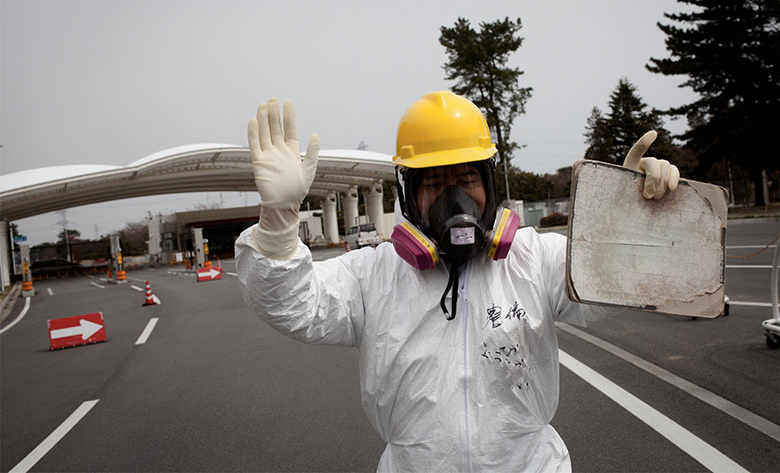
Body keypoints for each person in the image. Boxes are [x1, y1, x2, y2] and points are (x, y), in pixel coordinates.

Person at [235, 91, 679, 472]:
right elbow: (294, 305)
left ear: (488, 181)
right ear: (409, 195)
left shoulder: (533, 259)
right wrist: (278, 222)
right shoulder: (374, 276)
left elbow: (614, 284)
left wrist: (635, 218)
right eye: (434, 181)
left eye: (467, 178)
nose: (455, 198)